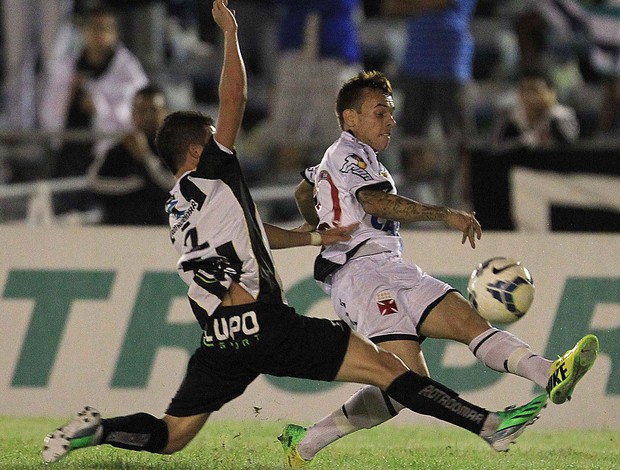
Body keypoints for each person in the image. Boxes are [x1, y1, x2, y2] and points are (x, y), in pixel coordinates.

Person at [41, 1, 548, 465]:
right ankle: (490, 425)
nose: (221, 142)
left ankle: (99, 428)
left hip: (220, 338)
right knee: (394, 373)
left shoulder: (177, 206)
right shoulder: (214, 172)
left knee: (173, 435)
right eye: (210, 140)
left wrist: (311, 238)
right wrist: (230, 34)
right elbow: (235, 96)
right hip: (264, 322)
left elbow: (253, 233)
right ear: (197, 151)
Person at [285, 70, 599, 467]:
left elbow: (303, 189)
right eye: (380, 112)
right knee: (407, 381)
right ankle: (489, 426)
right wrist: (443, 213)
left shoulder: (353, 158)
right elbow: (375, 202)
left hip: (392, 266)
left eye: (392, 112)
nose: (391, 121)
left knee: (469, 324)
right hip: (359, 276)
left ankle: (550, 373)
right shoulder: (347, 155)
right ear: (350, 119)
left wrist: (319, 222)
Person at [38, 4, 148, 214]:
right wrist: (70, 95)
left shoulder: (129, 72)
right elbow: (48, 117)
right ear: (84, 31)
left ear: (115, 33)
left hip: (110, 162)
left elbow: (133, 119)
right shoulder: (67, 67)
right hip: (70, 157)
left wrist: (98, 106)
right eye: (95, 28)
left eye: (106, 28)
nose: (100, 35)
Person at [381, 0, 478, 207]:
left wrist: (414, 6)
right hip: (416, 64)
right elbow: (391, 7)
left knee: (458, 139)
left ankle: (463, 202)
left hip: (452, 65)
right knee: (412, 137)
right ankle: (415, 201)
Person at [88, 84, 175, 225]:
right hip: (119, 231)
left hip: (160, 232)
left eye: (153, 110)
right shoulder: (118, 149)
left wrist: (145, 157)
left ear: (165, 113)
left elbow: (172, 187)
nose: (147, 116)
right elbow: (93, 184)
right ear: (132, 113)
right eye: (141, 110)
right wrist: (136, 184)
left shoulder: (175, 149)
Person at [492, 67, 580, 153]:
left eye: (536, 91)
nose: (530, 96)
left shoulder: (561, 116)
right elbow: (496, 148)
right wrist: (522, 143)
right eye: (526, 91)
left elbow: (570, 148)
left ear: (551, 93)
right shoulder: (511, 118)